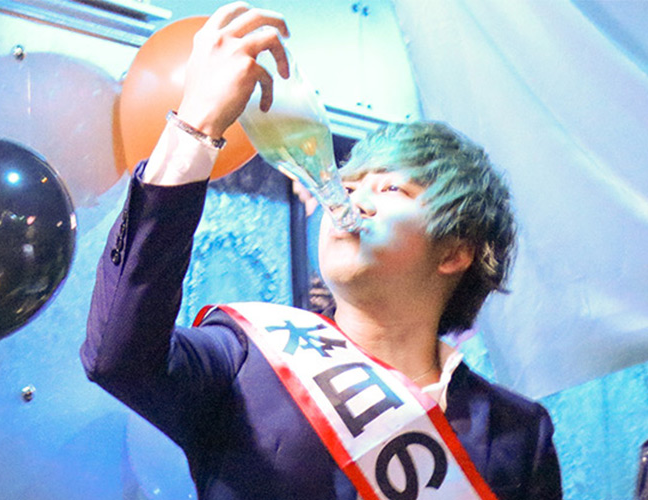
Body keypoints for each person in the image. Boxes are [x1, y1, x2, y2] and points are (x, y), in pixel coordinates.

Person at [81, 2, 562, 499]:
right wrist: (197, 123)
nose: (350, 200)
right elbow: (117, 357)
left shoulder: (517, 434)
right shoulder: (249, 355)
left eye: (390, 189)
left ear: (454, 254)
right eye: (349, 185)